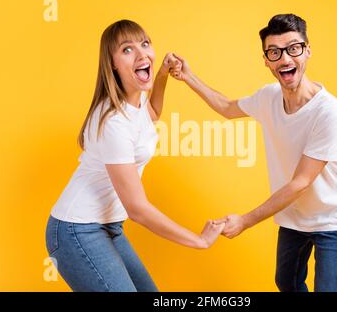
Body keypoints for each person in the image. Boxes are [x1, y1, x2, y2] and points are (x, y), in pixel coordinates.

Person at [170, 14, 337, 292]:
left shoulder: (328, 113)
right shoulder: (268, 97)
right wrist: (187, 77)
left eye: (294, 48)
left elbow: (301, 183)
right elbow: (227, 107)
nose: (285, 59)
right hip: (292, 217)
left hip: (330, 218)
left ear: (307, 50)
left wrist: (245, 220)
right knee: (286, 282)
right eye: (275, 52)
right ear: (266, 60)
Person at [45, 19, 225, 292]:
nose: (142, 54)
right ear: (113, 63)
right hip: (76, 230)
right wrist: (198, 240)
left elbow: (151, 114)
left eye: (145, 44)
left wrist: (162, 75)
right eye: (127, 49)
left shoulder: (134, 102)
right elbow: (138, 210)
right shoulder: (113, 122)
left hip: (109, 227)